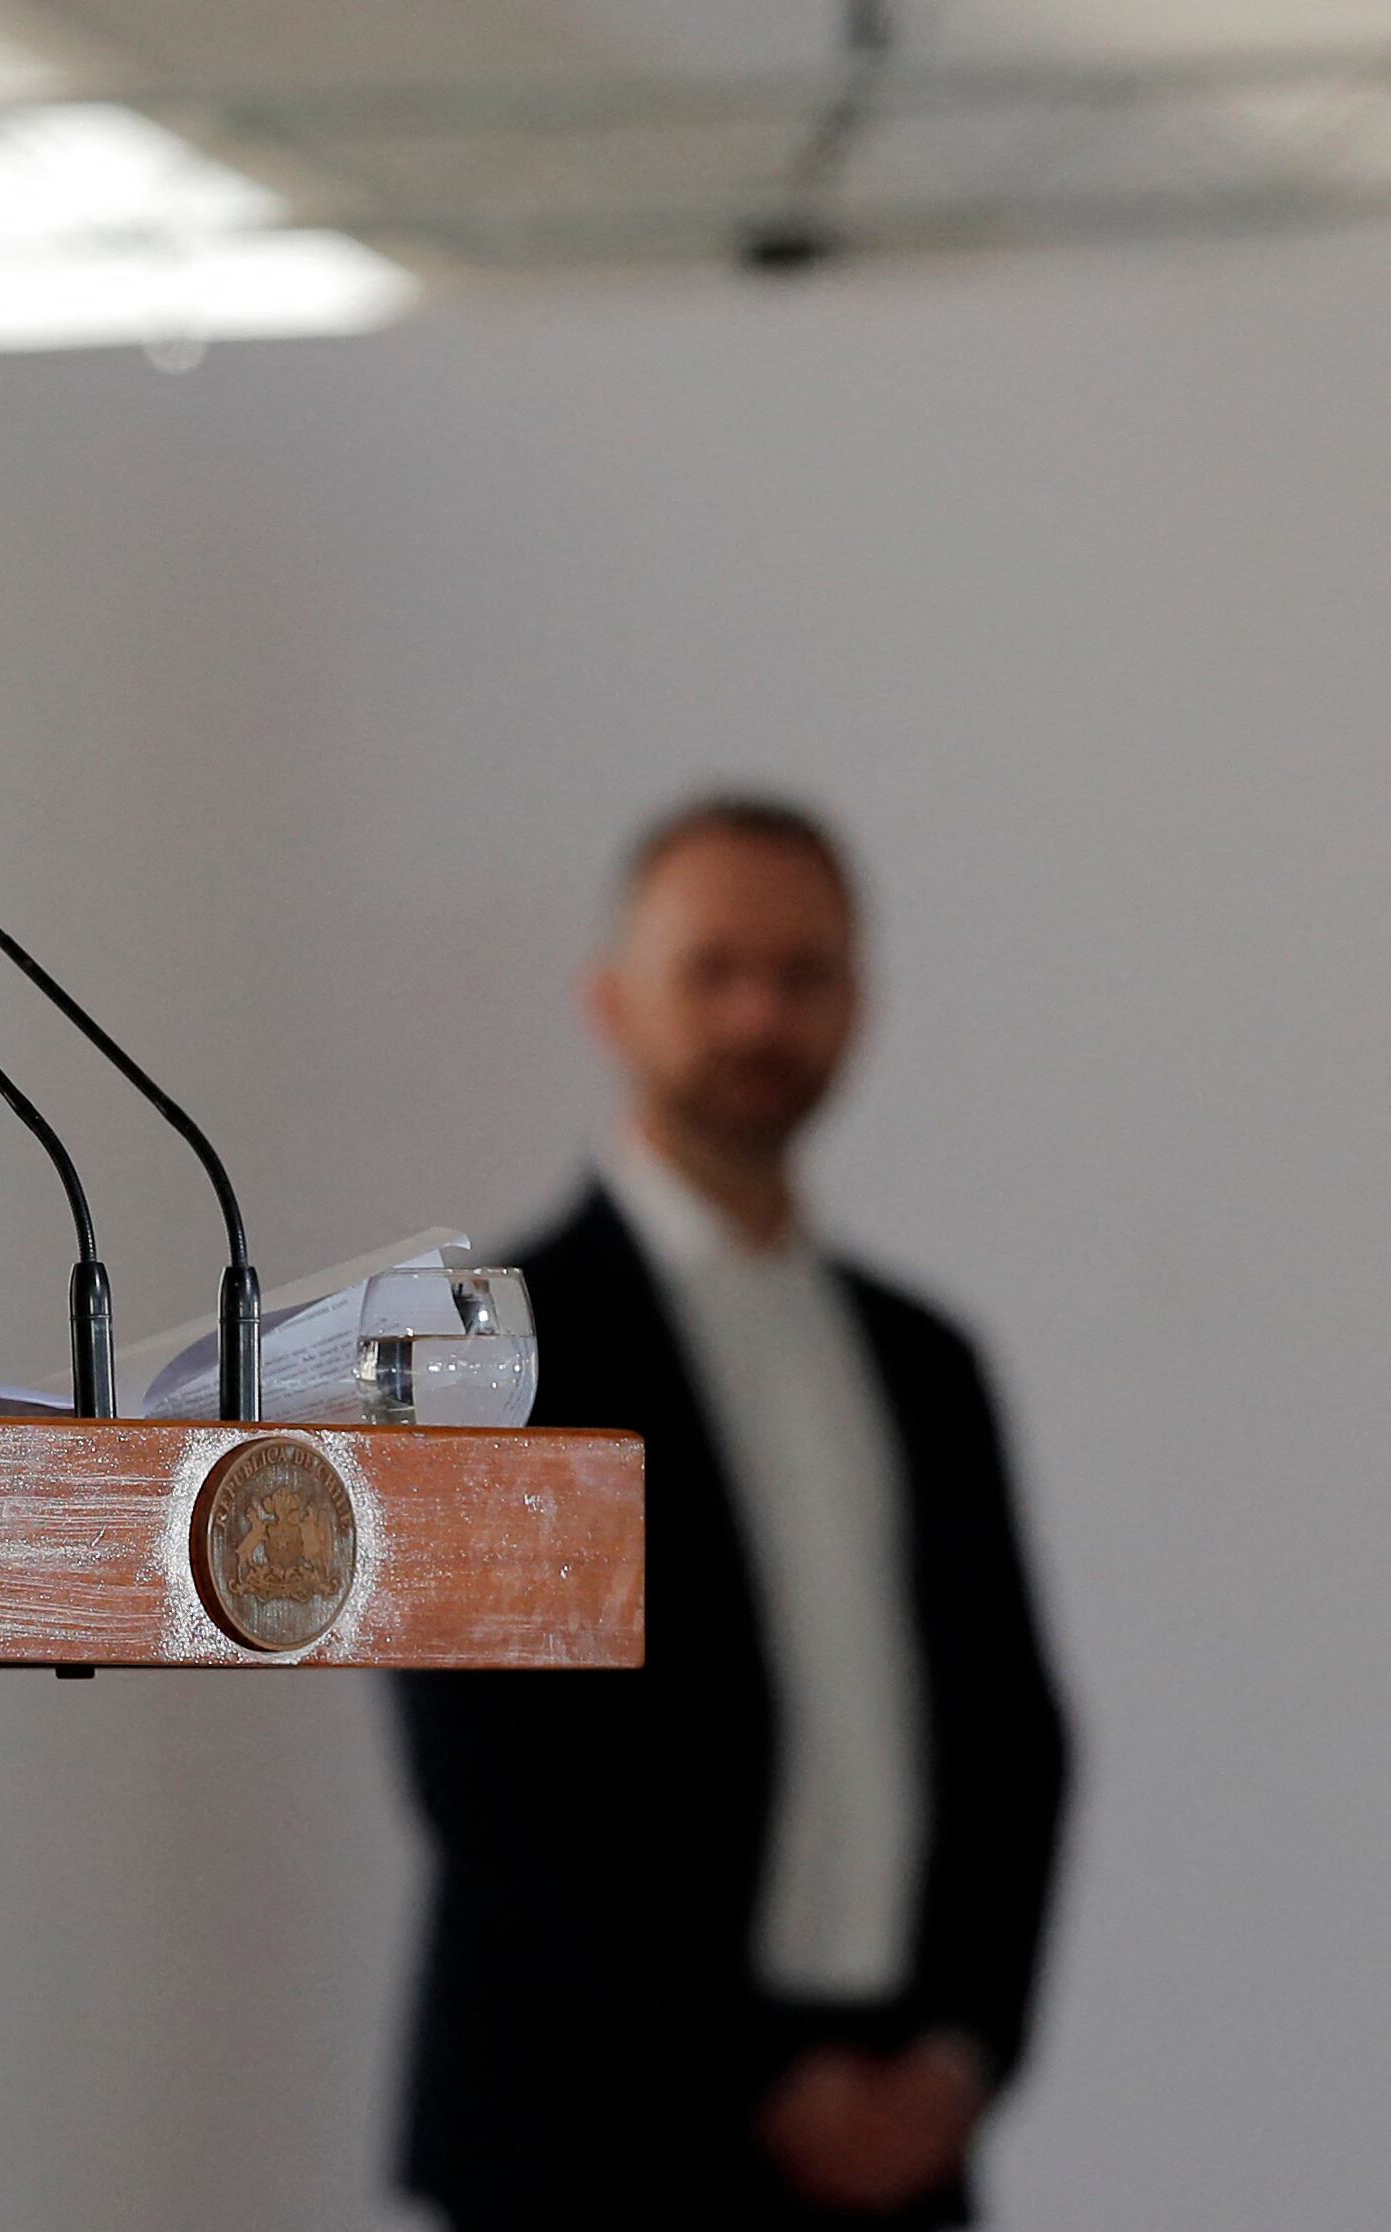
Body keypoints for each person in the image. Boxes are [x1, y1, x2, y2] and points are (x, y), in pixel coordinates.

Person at [390, 797, 1072, 2229]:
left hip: (895, 2140)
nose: (761, 1012)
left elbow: (1015, 1736)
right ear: (611, 1000)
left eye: (804, 973)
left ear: (859, 1002)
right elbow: (495, 1786)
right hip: (584, 2145)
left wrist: (956, 2060)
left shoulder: (927, 1360)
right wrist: (756, 2084)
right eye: (712, 970)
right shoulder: (481, 1348)